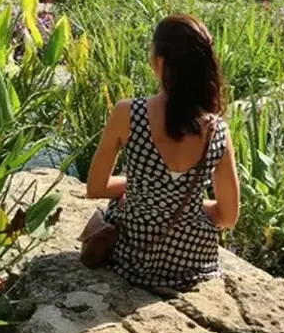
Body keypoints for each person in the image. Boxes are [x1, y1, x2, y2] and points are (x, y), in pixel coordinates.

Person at [85, 14, 240, 291]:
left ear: (161, 62)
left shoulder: (128, 113)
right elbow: (227, 217)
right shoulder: (218, 130)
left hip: (134, 259)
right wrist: (185, 201)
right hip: (194, 262)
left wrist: (144, 191)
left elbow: (96, 187)